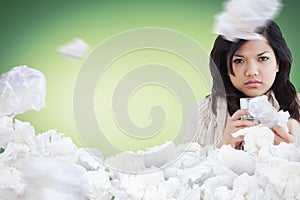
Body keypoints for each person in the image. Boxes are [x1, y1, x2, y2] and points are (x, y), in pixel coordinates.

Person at [184, 20, 300, 149]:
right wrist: (221, 147)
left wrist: (293, 152)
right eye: (239, 60)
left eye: (263, 58)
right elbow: (185, 165)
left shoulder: (298, 105)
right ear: (226, 68)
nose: (251, 72)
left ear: (278, 62)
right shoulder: (205, 112)